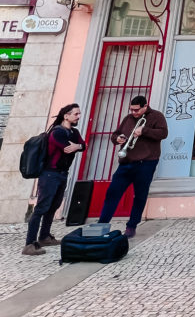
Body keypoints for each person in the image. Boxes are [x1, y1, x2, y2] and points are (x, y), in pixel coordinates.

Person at [97, 95, 168, 239]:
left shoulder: (157, 116)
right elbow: (116, 134)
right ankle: (102, 225)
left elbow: (163, 133)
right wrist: (117, 138)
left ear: (145, 106)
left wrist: (144, 131)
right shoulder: (128, 118)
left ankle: (132, 225)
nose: (134, 112)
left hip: (146, 163)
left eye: (137, 110)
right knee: (112, 193)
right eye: (131, 110)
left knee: (140, 195)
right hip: (126, 163)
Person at [23, 103, 86, 256]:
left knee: (53, 206)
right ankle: (29, 244)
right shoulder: (57, 132)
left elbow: (83, 145)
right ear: (66, 116)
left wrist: (77, 146)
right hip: (50, 174)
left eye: (79, 114)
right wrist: (77, 146)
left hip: (62, 174)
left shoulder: (74, 132)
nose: (78, 117)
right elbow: (67, 148)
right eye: (76, 114)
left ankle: (44, 236)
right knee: (41, 208)